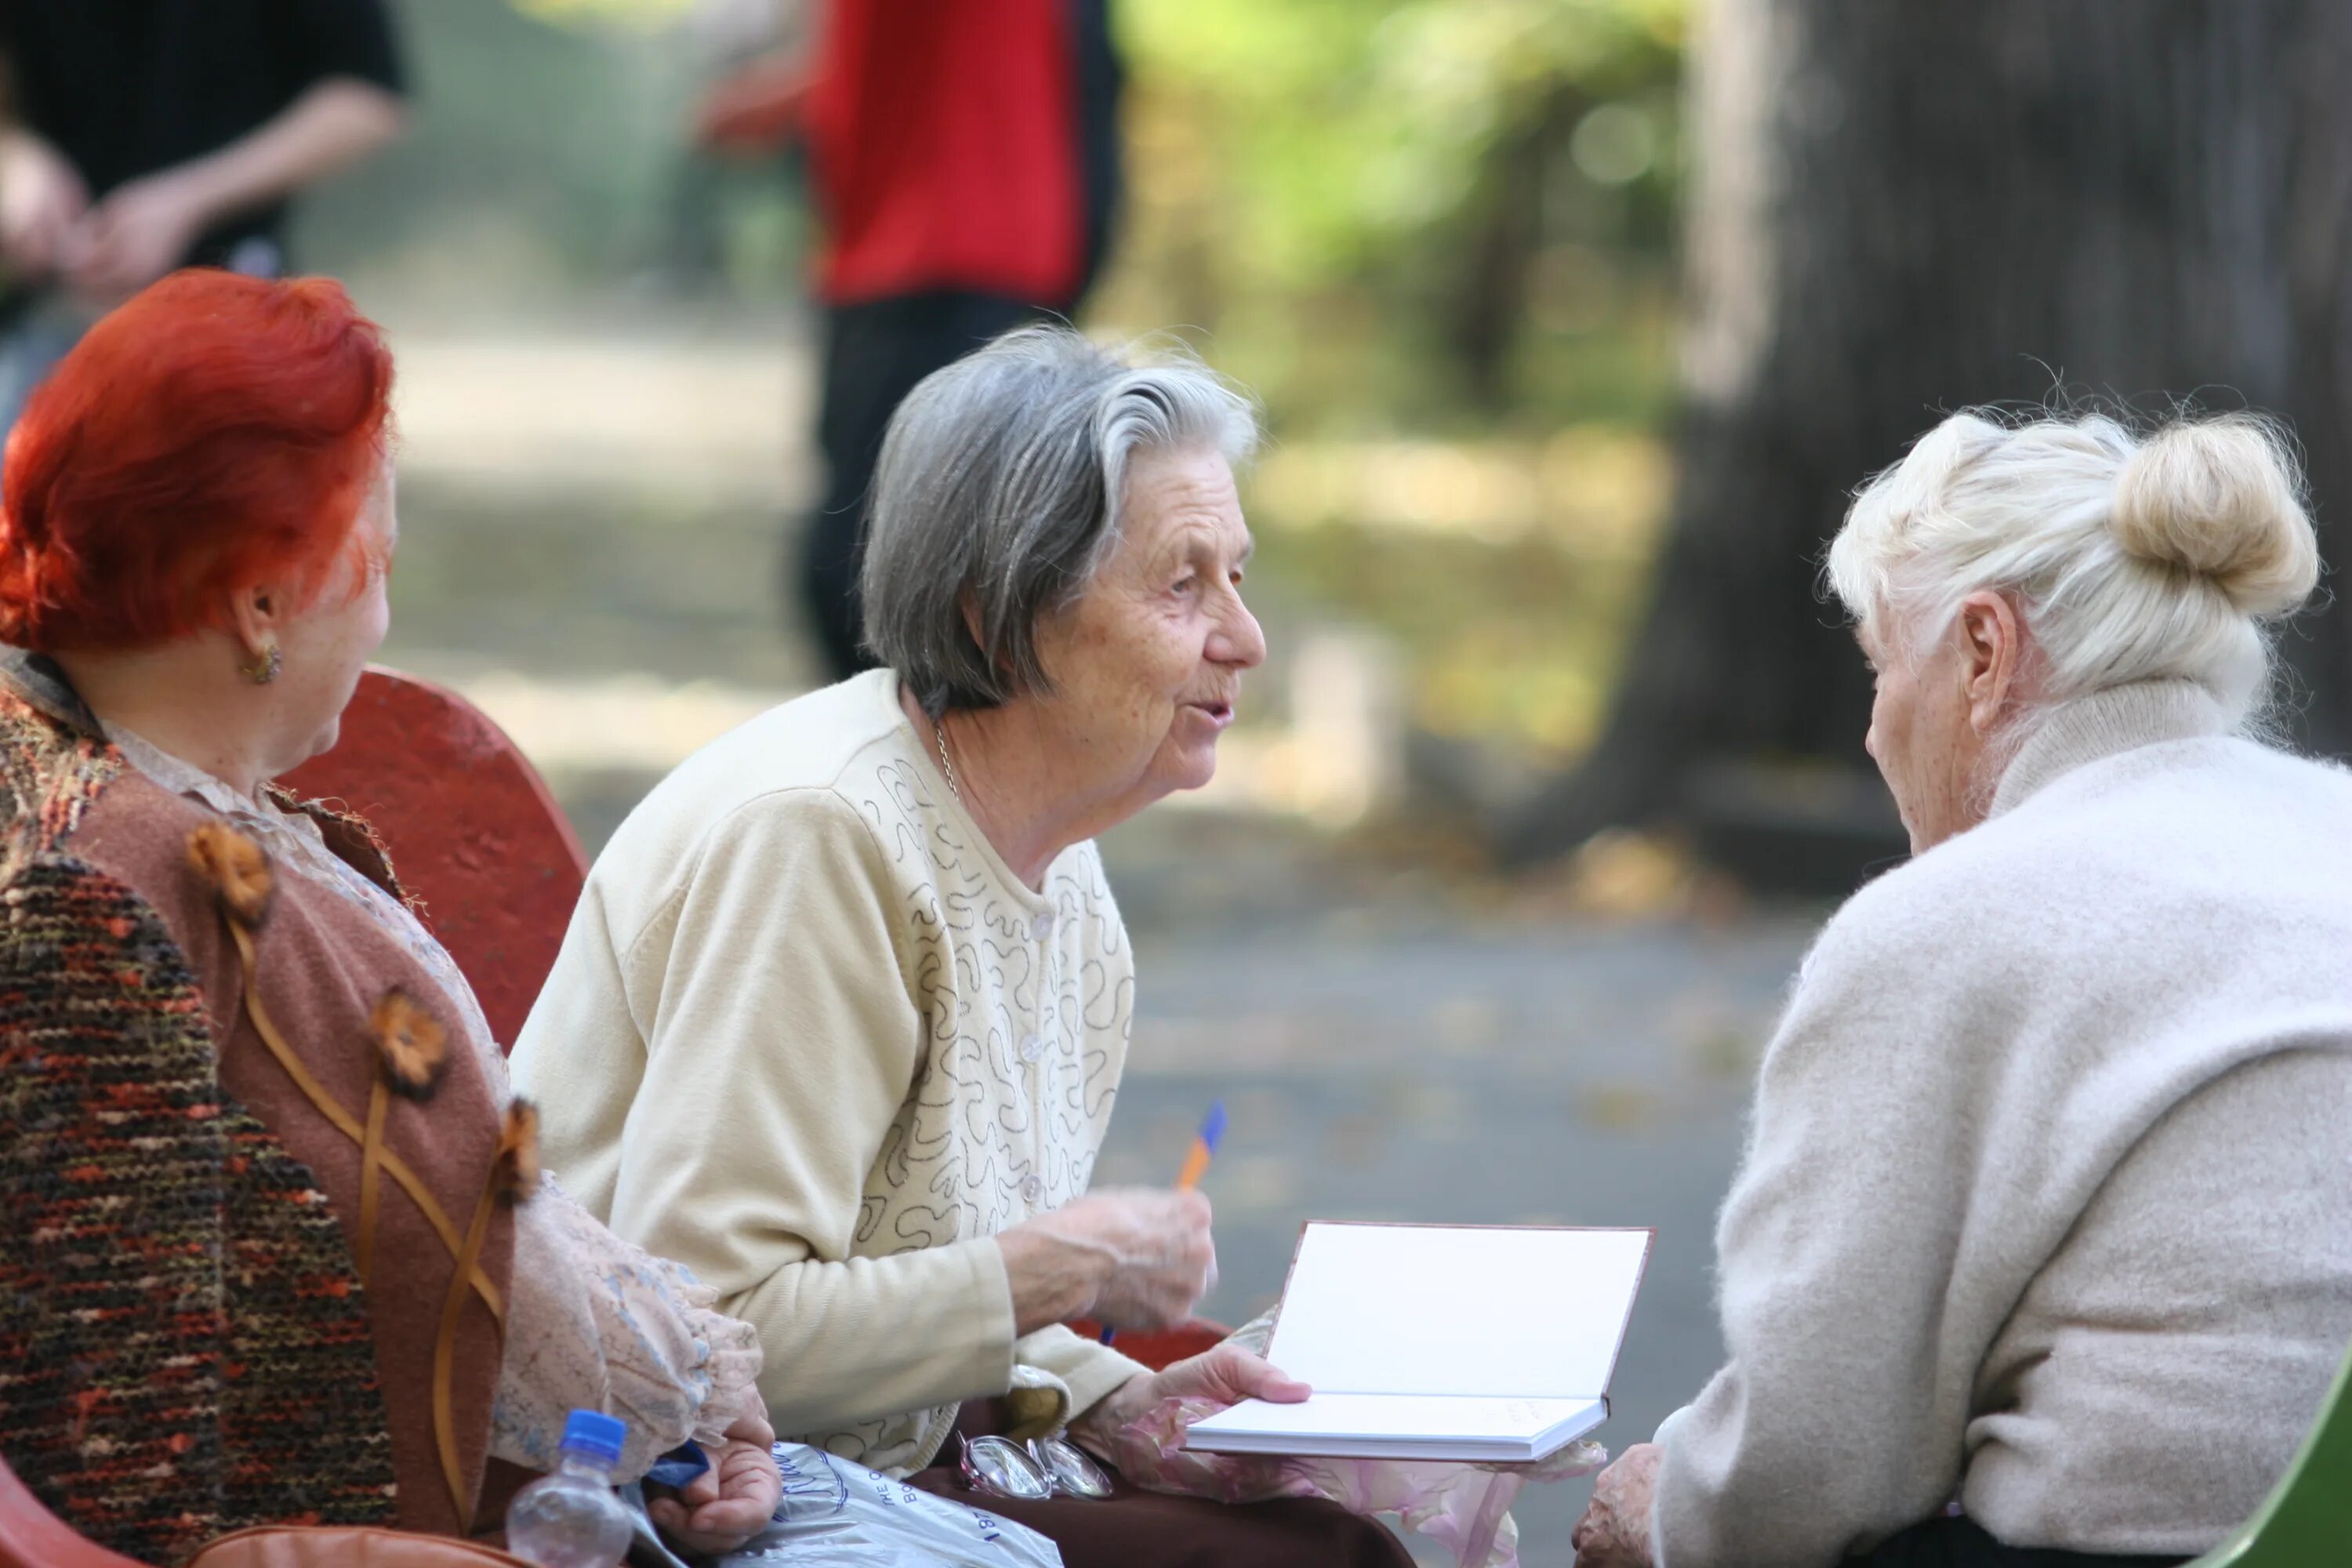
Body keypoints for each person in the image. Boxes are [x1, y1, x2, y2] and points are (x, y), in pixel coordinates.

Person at [513, 327, 1412, 1567]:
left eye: (1239, 578)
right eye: (1182, 584)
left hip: (870, 1468)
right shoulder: (823, 837)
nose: (1244, 639)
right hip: (674, 1492)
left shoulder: (1060, 860)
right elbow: (704, 1336)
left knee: (1334, 1528)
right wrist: (1054, 1271)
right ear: (1000, 616)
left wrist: (1116, 1399)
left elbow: (919, 1265)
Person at [0, 270, 779, 1564]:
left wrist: (689, 1434)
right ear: (260, 607)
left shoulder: (138, 793)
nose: (384, 618)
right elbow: (119, 1506)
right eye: (376, 570)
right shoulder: (104, 899)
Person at [1570, 411, 2352, 1568]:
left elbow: (1808, 1463)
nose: (1878, 724)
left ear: (1983, 652)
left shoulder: (1945, 925)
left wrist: (1663, 1514)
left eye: (1883, 666)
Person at [695, 0, 1124, 681]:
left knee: (874, 579)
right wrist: (790, 99)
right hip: (912, 255)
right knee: (880, 577)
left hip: (951, 256)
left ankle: (930, 781)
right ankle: (930, 775)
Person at [0, 0, 408, 435]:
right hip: (39, 316)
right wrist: (17, 156)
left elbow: (368, 94)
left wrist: (189, 202)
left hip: (232, 317)